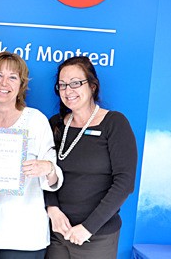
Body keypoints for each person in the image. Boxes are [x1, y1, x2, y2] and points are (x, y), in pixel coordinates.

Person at [0, 51, 64, 259]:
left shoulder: (36, 120)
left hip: (25, 236)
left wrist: (47, 168)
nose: (4, 82)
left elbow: (53, 179)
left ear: (21, 85)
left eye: (12, 77)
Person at [44, 56, 137, 259]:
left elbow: (125, 182)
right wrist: (52, 209)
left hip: (97, 236)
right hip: (58, 233)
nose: (68, 91)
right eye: (62, 85)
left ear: (93, 86)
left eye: (76, 83)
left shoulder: (114, 123)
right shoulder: (55, 124)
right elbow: (44, 170)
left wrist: (88, 228)